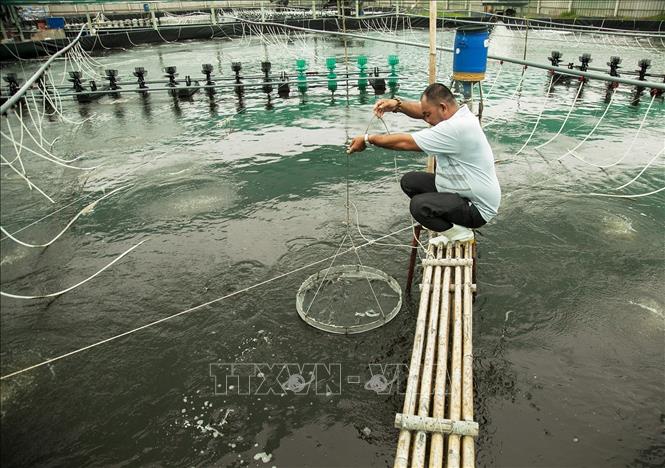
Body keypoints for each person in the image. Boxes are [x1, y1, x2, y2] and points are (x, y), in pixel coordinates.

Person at [346, 83, 501, 243]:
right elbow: (422, 109)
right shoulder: (458, 114)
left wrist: (367, 139)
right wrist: (396, 105)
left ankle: (460, 235)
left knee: (419, 206)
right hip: (461, 193)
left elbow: (405, 143)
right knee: (410, 182)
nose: (425, 119)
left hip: (476, 208)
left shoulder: (457, 128)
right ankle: (452, 224)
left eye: (427, 115)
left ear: (443, 107)